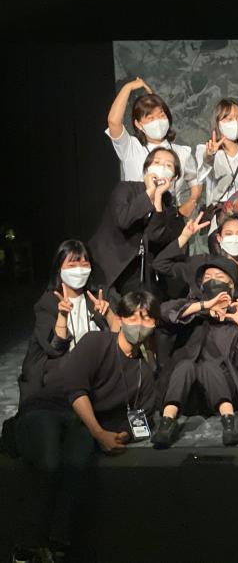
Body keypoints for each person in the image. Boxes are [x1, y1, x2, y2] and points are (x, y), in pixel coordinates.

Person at [12, 291, 158, 559]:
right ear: (120, 319)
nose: (139, 324)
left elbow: (143, 415)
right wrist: (99, 432)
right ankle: (29, 542)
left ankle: (57, 541)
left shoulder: (143, 373)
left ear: (155, 324)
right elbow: (75, 390)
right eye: (133, 317)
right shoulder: (96, 342)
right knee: (49, 461)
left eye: (146, 318)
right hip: (51, 408)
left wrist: (121, 435)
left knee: (77, 464)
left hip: (82, 424)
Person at [152, 256, 238, 448]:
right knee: (186, 365)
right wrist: (204, 307)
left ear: (231, 285)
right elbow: (163, 312)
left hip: (225, 389)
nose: (212, 281)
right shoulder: (192, 310)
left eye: (219, 277)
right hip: (189, 394)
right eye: (207, 277)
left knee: (209, 367)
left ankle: (230, 424)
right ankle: (167, 423)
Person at [18, 241, 120, 404]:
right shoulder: (47, 303)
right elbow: (54, 348)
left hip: (98, 368)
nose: (79, 270)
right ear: (59, 269)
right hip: (61, 371)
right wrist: (63, 316)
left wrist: (108, 314)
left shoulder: (102, 294)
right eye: (72, 265)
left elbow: (121, 337)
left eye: (84, 264)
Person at [88, 147, 185, 299]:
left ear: (174, 178)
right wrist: (149, 193)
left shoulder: (169, 208)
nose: (162, 168)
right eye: (157, 162)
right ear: (147, 169)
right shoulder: (126, 188)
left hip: (138, 271)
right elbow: (123, 220)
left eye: (168, 165)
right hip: (108, 264)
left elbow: (155, 236)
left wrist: (158, 198)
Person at [105, 77, 200, 216]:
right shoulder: (131, 148)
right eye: (150, 118)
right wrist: (128, 87)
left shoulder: (182, 152)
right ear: (138, 124)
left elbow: (195, 179)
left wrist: (192, 201)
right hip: (137, 220)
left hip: (170, 220)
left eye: (161, 115)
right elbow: (113, 122)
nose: (158, 122)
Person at [153, 211, 238, 301]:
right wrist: (184, 237)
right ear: (219, 238)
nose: (234, 239)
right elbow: (160, 264)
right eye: (228, 234)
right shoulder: (202, 264)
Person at [195, 97, 238, 212]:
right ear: (217, 122)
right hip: (220, 212)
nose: (235, 123)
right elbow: (204, 168)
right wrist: (210, 154)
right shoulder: (205, 149)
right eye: (229, 119)